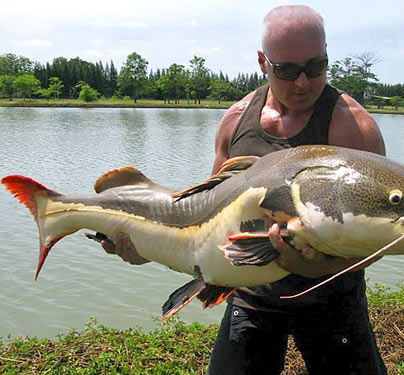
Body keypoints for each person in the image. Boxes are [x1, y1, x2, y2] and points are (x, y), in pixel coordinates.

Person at [100, 5, 387, 375]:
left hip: (332, 299)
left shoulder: (352, 127)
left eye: (315, 66)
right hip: (252, 296)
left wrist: (319, 267)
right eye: (287, 70)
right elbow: (204, 215)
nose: (303, 82)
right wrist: (146, 247)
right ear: (262, 62)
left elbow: (381, 238)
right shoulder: (236, 122)